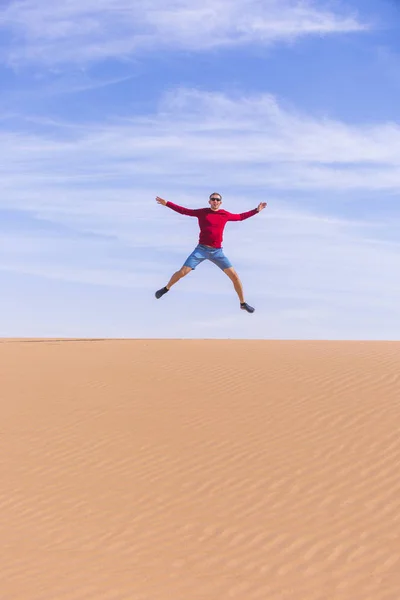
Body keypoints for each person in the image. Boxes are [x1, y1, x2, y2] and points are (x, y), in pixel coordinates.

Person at [155, 192, 267, 313]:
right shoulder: (202, 212)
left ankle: (243, 303)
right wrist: (167, 204)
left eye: (217, 200)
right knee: (182, 272)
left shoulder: (224, 214)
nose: (215, 201)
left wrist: (256, 210)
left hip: (217, 252)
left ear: (220, 202)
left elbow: (240, 217)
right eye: (213, 199)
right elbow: (184, 211)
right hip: (201, 250)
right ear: (209, 202)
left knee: (234, 276)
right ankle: (166, 288)